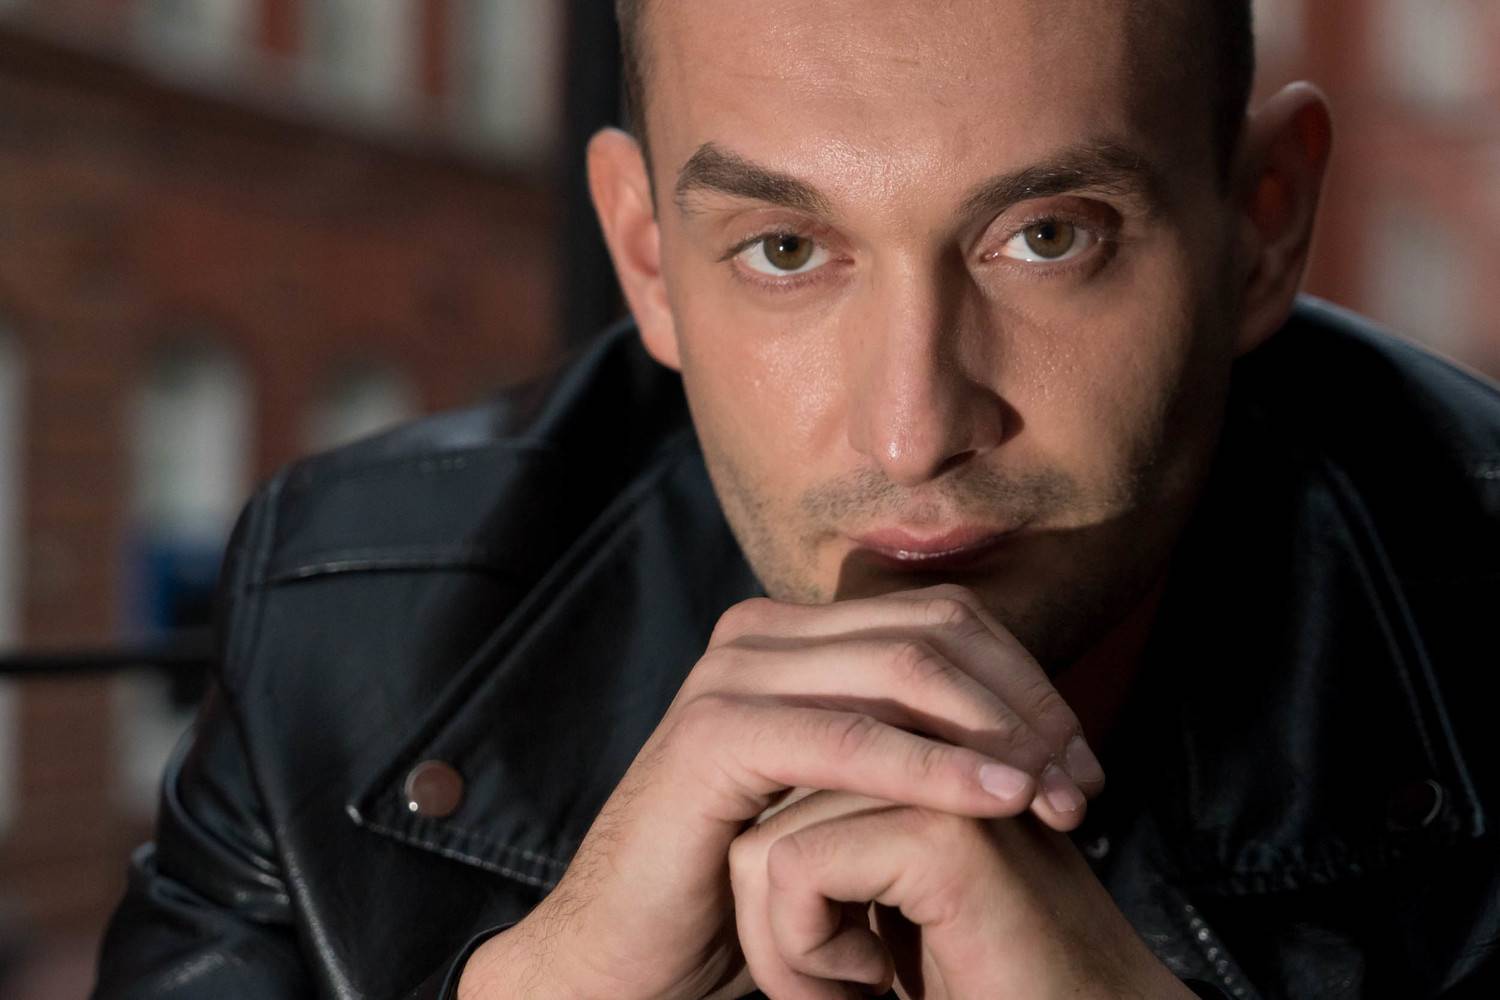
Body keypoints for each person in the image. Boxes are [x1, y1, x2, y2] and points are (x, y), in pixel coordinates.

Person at [93, 1, 1500, 997]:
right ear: (648, 260)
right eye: (783, 249)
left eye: (1046, 236)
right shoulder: (346, 613)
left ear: (1260, 228)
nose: (912, 432)